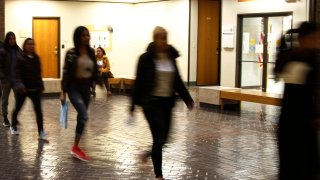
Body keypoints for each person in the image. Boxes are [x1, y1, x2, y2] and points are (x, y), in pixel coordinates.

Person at [130, 26, 194, 180]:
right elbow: (138, 82)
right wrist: (132, 105)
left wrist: (187, 98)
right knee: (159, 137)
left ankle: (146, 154)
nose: (163, 41)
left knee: (164, 138)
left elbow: (177, 80)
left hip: (167, 103)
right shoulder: (146, 58)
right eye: (161, 38)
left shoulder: (170, 56)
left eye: (165, 38)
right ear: (155, 39)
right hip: (151, 104)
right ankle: (159, 175)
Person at [274, 21, 320, 180]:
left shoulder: (307, 57)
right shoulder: (296, 59)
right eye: (314, 37)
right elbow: (299, 96)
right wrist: (313, 116)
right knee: (296, 167)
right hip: (295, 123)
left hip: (297, 122)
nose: (317, 41)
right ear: (303, 38)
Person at [60, 26, 100, 161]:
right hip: (74, 88)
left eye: (88, 35)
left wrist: (96, 81)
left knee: (81, 118)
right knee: (84, 114)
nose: (87, 38)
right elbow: (65, 73)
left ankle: (76, 146)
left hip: (85, 88)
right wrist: (63, 92)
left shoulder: (90, 52)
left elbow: (94, 69)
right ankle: (75, 147)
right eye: (84, 35)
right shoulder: (71, 53)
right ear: (78, 37)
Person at [10, 38, 47, 139]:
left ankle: (41, 131)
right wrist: (20, 85)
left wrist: (40, 85)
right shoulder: (20, 58)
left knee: (38, 111)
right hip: (23, 90)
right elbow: (17, 74)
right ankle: (13, 126)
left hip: (35, 89)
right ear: (25, 46)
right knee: (18, 108)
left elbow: (38, 73)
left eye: (33, 44)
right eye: (29, 44)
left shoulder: (36, 58)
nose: (31, 46)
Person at [0, 32, 22, 127]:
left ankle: (15, 117)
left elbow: (22, 63)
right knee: (5, 99)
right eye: (10, 39)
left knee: (19, 99)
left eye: (14, 38)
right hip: (6, 80)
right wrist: (3, 78)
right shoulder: (3, 50)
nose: (12, 40)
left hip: (16, 80)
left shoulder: (18, 50)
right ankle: (5, 118)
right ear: (7, 40)